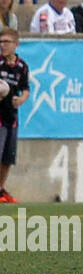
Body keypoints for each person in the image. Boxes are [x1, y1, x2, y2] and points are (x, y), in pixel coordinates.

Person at [0, 27, 29, 203]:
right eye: (1, 42)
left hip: (12, 116)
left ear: (16, 44)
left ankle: (1, 190)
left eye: (6, 42)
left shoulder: (22, 66)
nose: (3, 45)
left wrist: (21, 99)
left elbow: (26, 89)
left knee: (7, 158)